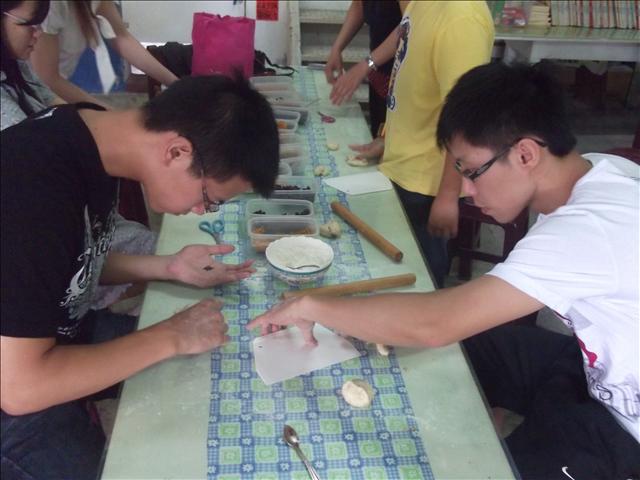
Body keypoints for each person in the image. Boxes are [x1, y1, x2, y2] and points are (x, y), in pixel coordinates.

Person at [248, 62, 640, 479]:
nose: (466, 191)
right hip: (592, 368)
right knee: (459, 348)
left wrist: (313, 306)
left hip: (625, 426)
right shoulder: (596, 171)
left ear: (526, 154)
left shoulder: (587, 229)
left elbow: (436, 323)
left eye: (471, 172)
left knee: (496, 463)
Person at [1, 73, 279, 479]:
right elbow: (21, 388)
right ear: (177, 152)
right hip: (17, 384)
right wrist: (170, 335)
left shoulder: (90, 136)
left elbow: (59, 264)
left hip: (44, 337)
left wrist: (168, 266)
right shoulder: (30, 188)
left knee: (209, 365)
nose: (201, 211)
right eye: (210, 199)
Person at [0, 0, 157, 313]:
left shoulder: (16, 68)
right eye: (28, 24)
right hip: (52, 233)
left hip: (76, 227)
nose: (37, 33)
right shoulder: (16, 137)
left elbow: (57, 108)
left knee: (155, 251)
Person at [350, 1, 495, 288]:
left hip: (428, 183)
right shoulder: (423, 3)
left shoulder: (461, 19)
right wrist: (388, 138)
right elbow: (408, 49)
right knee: (393, 270)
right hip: (403, 167)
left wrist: (448, 195)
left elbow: (464, 117)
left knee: (420, 278)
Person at [30, 0, 178, 109]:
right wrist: (106, 111)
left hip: (52, 90)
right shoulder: (51, 7)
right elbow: (47, 80)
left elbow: (121, 38)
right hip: (33, 96)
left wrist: (176, 84)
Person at [324, 0, 402, 136]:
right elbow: (359, 5)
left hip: (404, 78)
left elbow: (410, 24)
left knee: (395, 139)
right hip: (379, 75)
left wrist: (367, 64)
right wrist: (337, 48)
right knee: (378, 133)